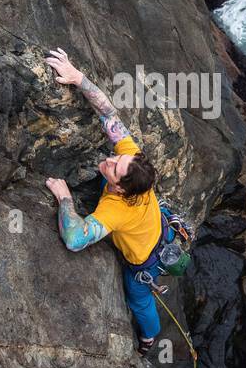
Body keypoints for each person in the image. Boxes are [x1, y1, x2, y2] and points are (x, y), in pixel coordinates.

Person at [44, 48, 163, 352]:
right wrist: (76, 77)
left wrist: (65, 199)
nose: (109, 160)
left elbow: (74, 239)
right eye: (116, 158)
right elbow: (108, 113)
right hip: (152, 224)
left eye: (114, 167)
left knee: (139, 298)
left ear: (122, 191)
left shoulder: (116, 210)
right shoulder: (132, 160)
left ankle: (150, 336)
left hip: (143, 259)